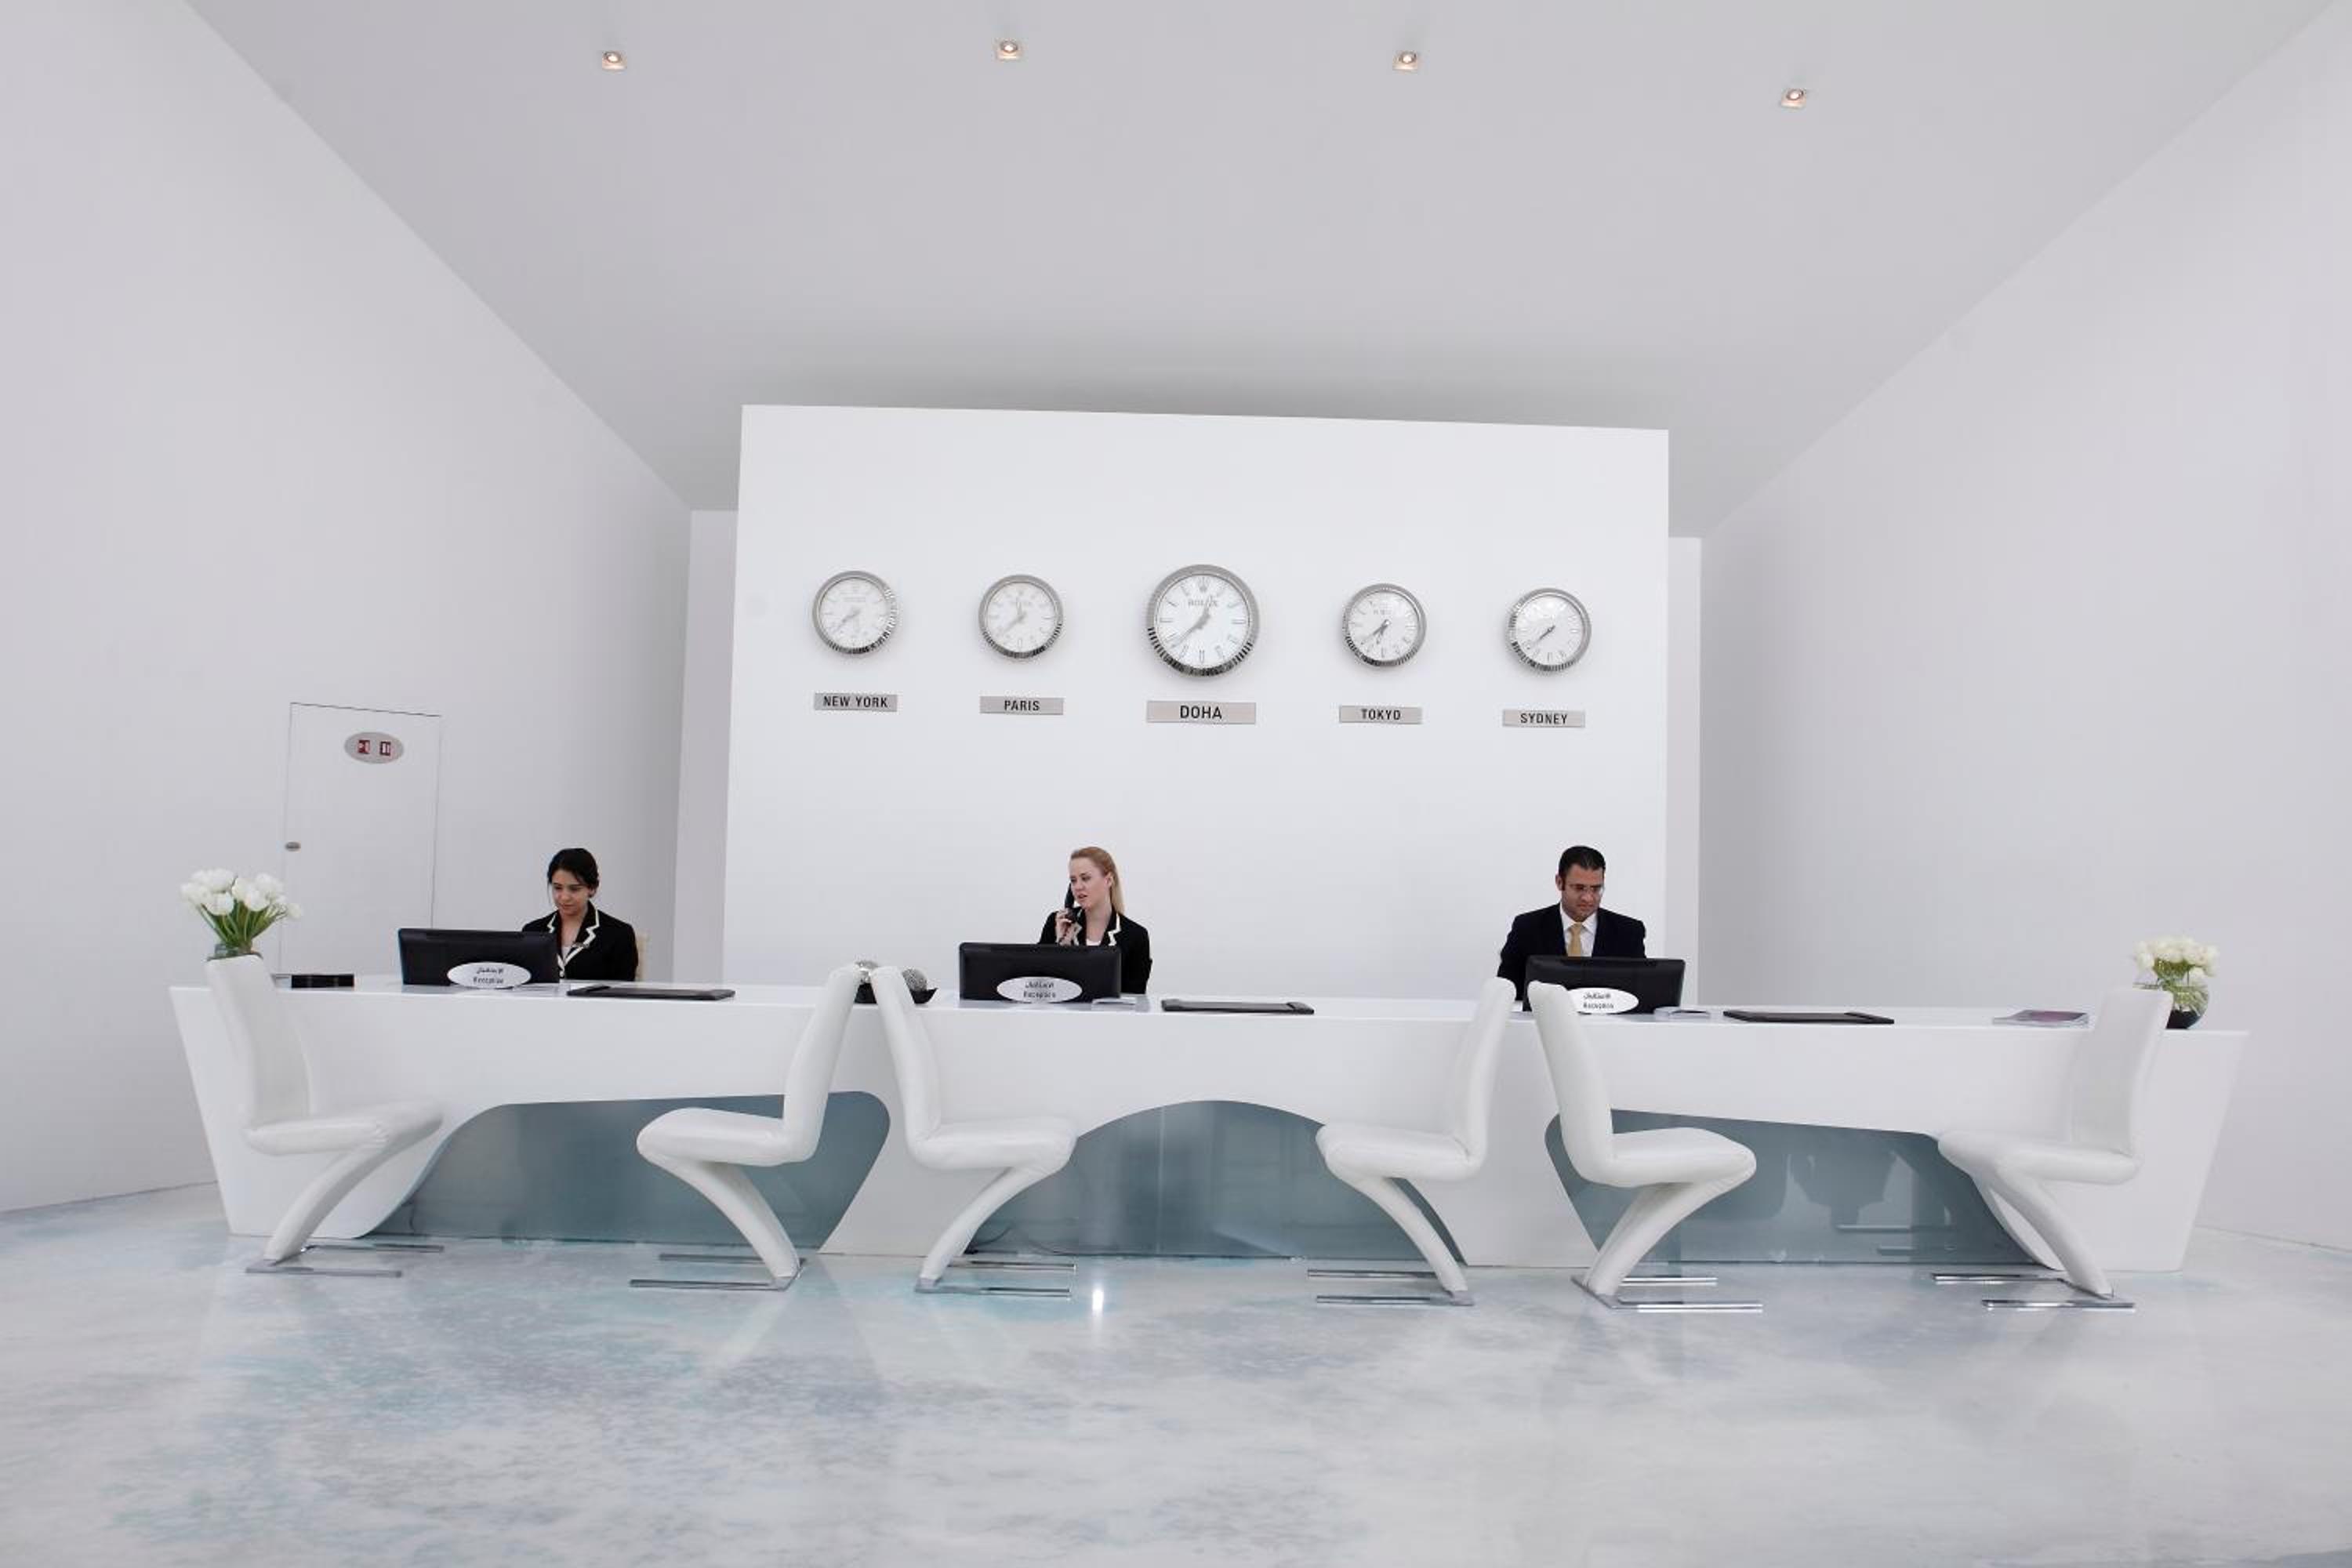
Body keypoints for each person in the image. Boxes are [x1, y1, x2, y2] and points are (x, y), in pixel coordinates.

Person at [1497, 844, 1646, 1004]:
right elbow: (1505, 992)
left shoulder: (1629, 932)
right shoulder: (1527, 928)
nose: (1588, 898)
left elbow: (1641, 993)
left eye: (1596, 889)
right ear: (1559, 882)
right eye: (1579, 888)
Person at [1036, 844, 1152, 995]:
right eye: (1073, 880)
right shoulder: (1057, 922)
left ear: (1108, 880)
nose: (1078, 887)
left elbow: (1135, 998)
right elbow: (1039, 986)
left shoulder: (1136, 936)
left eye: (1085, 878)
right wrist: (1062, 947)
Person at [521, 848, 641, 982]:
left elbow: (623, 991)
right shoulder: (532, 932)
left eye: (574, 889)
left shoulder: (619, 934)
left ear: (592, 888)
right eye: (558, 888)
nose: (564, 897)